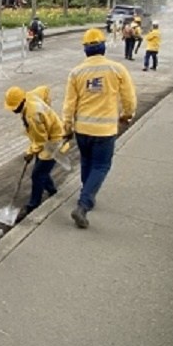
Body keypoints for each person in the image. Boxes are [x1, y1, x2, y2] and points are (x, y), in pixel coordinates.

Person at [61, 28, 138, 229]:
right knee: (101, 166)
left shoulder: (76, 72)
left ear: (85, 49)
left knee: (87, 162)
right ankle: (83, 204)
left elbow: (69, 104)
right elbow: (129, 99)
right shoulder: (117, 69)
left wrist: (67, 127)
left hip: (82, 129)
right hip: (105, 131)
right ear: (103, 47)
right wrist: (127, 115)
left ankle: (86, 194)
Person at [4, 84, 65, 221]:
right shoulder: (30, 95)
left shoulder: (33, 115)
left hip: (53, 141)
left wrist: (30, 152)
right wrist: (47, 111)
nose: (13, 110)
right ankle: (52, 190)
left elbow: (40, 140)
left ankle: (33, 204)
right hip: (49, 136)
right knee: (41, 169)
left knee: (37, 174)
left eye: (14, 107)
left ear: (21, 102)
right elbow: (45, 89)